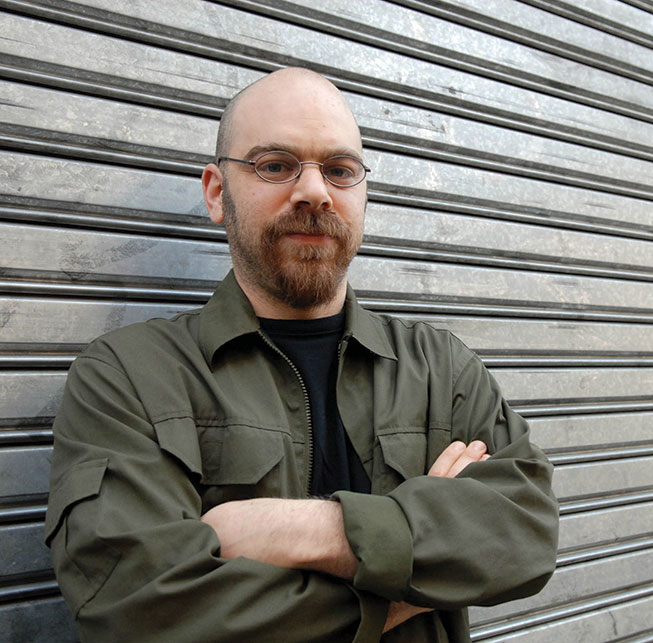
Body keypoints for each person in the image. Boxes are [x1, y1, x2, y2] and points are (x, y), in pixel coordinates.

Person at [44, 67, 559, 642]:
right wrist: (408, 588)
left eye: (339, 170)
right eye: (275, 165)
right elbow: (137, 609)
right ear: (218, 193)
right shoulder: (130, 376)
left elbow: (526, 531)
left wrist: (314, 531)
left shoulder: (439, 368)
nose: (314, 191)